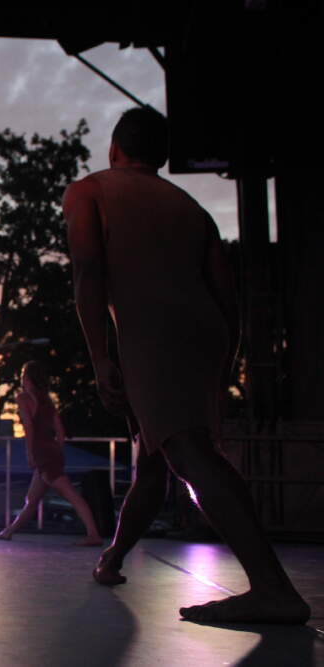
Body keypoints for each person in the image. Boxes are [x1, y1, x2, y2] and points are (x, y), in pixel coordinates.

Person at [63, 106, 310, 624]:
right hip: (206, 332)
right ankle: (112, 558)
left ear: (114, 149)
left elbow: (87, 271)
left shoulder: (89, 191)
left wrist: (101, 357)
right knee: (156, 460)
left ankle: (272, 589)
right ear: (162, 157)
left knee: (191, 455)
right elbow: (227, 296)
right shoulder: (192, 208)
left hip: (152, 331)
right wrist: (225, 364)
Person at [0, 361, 103, 546]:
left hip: (42, 453)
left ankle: (94, 534)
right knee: (32, 499)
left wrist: (31, 453)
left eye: (23, 376)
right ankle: (9, 531)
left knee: (71, 495)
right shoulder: (46, 399)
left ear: (27, 378)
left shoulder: (23, 398)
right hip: (52, 451)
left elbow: (28, 427)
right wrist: (57, 451)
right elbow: (60, 431)